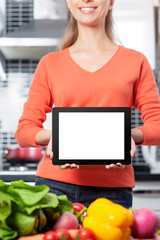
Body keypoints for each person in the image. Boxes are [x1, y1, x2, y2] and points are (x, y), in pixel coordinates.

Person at [15, 0, 160, 209]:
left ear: (110, 2)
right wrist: (58, 136)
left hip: (113, 192)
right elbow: (24, 132)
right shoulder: (50, 64)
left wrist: (125, 135)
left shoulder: (136, 62)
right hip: (55, 187)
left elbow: (157, 125)